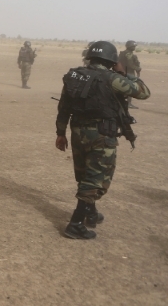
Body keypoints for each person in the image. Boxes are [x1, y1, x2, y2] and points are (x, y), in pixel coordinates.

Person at [55, 41, 150, 239]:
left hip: (78, 132)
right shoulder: (113, 78)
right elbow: (143, 92)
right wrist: (124, 73)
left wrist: (60, 132)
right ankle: (75, 223)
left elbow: (64, 106)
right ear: (111, 61)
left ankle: (90, 212)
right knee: (97, 179)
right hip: (101, 134)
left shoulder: (76, 76)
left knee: (84, 174)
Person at [118, 40, 142, 109]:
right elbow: (130, 64)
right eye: (133, 46)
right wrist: (137, 68)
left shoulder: (122, 53)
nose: (134, 47)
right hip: (129, 73)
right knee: (131, 88)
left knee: (121, 87)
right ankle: (128, 103)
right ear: (129, 46)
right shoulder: (129, 54)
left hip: (121, 72)